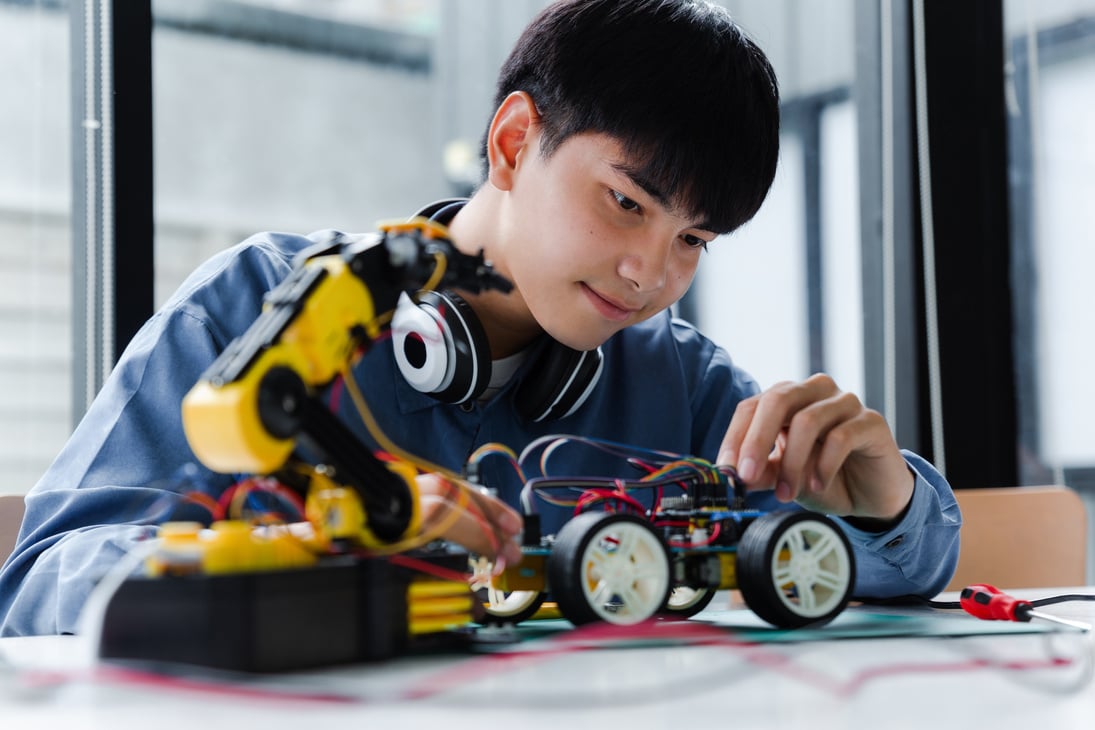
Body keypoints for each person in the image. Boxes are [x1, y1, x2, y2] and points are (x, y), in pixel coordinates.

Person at [0, 0, 960, 637]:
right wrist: (305, 559)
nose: (649, 275)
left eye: (692, 241)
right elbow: (43, 585)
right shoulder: (259, 304)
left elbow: (848, 567)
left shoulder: (678, 381)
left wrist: (886, 505)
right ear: (511, 143)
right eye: (627, 203)